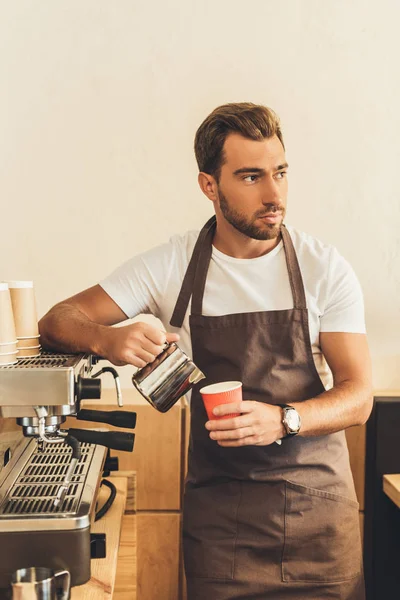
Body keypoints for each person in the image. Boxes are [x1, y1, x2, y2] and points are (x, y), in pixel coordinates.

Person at [39, 102, 372, 599]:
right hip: (223, 532)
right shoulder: (172, 265)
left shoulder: (325, 268)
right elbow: (56, 319)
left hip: (318, 527)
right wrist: (108, 339)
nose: (274, 193)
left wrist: (284, 419)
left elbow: (359, 396)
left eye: (280, 172)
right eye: (251, 177)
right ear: (209, 186)